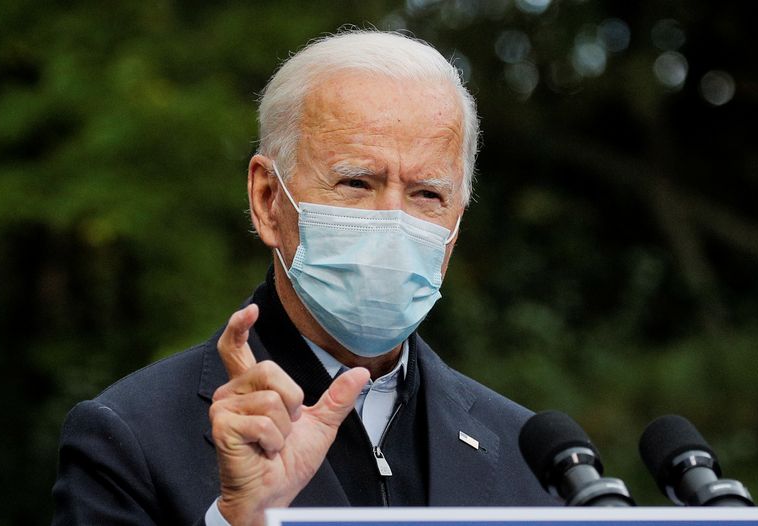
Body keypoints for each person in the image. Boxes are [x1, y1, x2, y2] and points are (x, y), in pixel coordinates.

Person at [51, 30, 558, 526]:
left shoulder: (533, 455)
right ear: (268, 200)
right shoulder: (133, 439)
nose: (392, 223)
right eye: (356, 182)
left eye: (427, 195)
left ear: (456, 225)